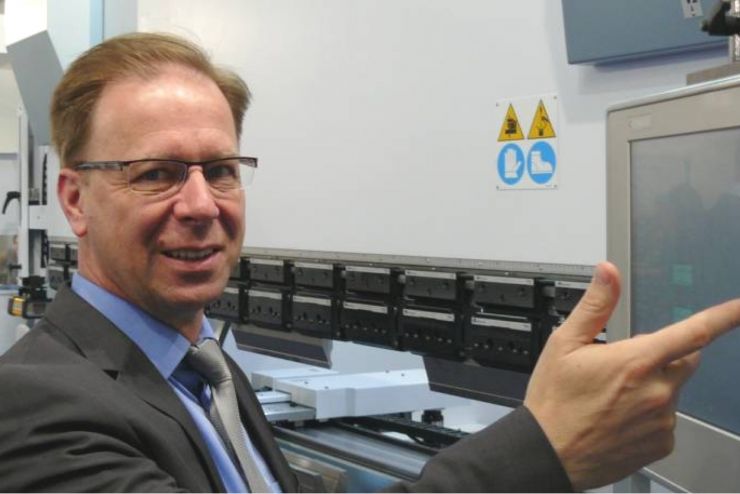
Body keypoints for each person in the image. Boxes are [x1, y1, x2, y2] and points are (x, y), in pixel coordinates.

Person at [0, 32, 739, 493]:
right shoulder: (36, 406)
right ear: (75, 200)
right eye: (156, 174)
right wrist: (541, 449)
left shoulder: (204, 371)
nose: (201, 205)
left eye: (221, 170)